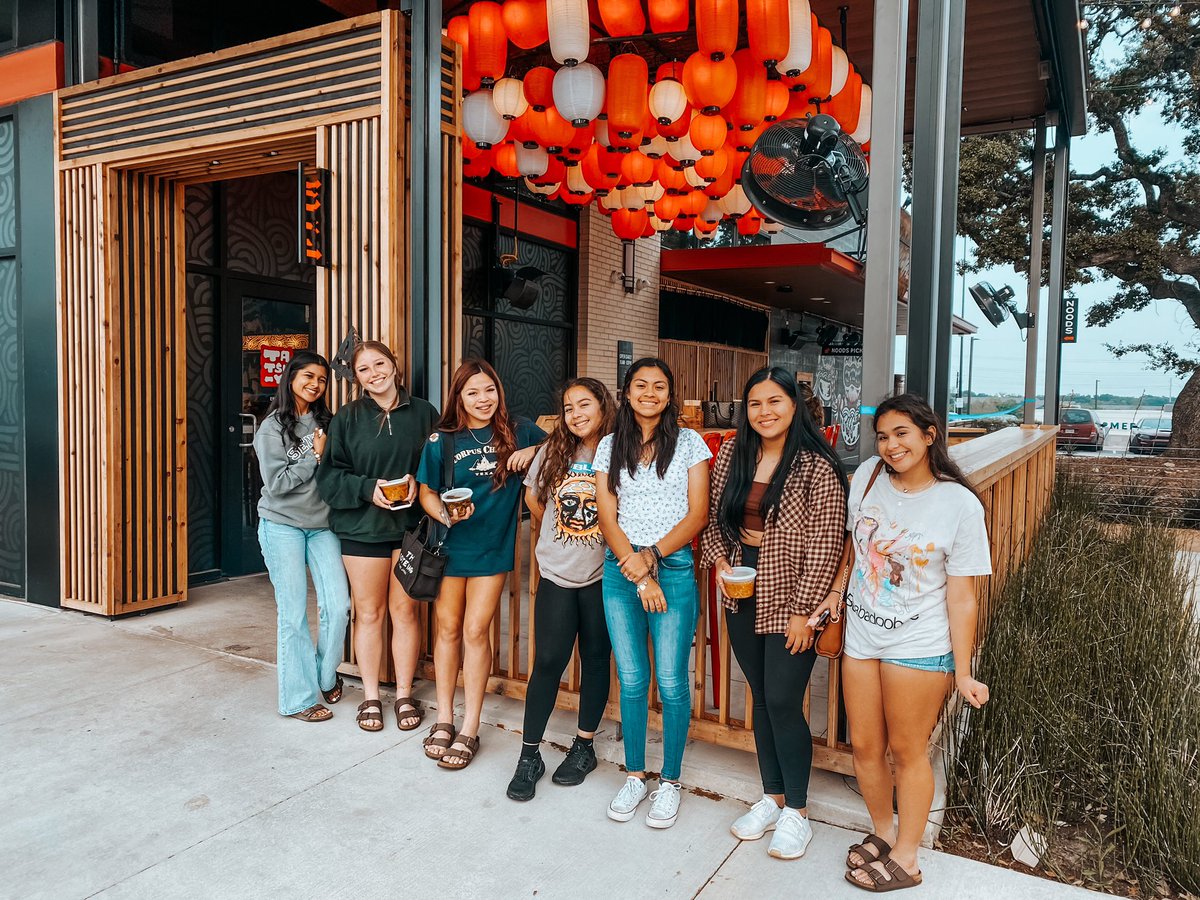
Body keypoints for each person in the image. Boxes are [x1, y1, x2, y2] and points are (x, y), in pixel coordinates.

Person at [807, 394, 992, 892]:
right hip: (862, 636)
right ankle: (885, 833)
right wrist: (835, 593)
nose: (890, 446)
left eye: (902, 434)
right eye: (883, 436)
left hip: (920, 641)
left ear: (929, 434)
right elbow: (853, 548)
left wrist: (965, 667)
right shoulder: (867, 475)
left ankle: (908, 858)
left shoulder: (959, 504)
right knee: (865, 746)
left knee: (908, 751)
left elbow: (962, 597)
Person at [699, 367, 848, 859]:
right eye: (756, 404)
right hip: (741, 586)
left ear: (794, 406)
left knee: (784, 700)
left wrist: (804, 612)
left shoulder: (817, 467)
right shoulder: (733, 458)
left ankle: (798, 813)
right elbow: (715, 520)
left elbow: (826, 544)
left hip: (793, 591)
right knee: (761, 696)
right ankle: (772, 796)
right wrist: (722, 562)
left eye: (775, 402)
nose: (764, 412)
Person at [594, 357, 711, 829]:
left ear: (670, 395)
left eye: (659, 386)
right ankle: (636, 774)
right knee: (633, 679)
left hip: (675, 568)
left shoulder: (689, 443)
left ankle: (671, 781)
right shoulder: (609, 446)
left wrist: (654, 559)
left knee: (672, 680)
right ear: (626, 392)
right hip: (621, 572)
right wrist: (638, 573)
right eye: (640, 385)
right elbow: (607, 514)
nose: (649, 392)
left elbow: (697, 514)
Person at [417, 359, 544, 770]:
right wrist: (444, 515)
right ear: (459, 397)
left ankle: (470, 726)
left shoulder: (519, 430)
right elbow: (426, 493)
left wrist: (532, 448)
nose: (483, 399)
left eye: (489, 390)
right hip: (451, 547)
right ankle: (443, 717)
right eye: (472, 392)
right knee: (448, 629)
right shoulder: (442, 439)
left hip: (492, 549)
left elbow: (569, 439)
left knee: (475, 630)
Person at [316, 341, 438, 733]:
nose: (374, 373)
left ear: (394, 365)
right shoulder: (347, 418)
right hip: (362, 530)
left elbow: (440, 465)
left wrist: (418, 485)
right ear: (357, 377)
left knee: (405, 613)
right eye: (364, 369)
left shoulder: (424, 413)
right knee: (368, 613)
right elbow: (329, 476)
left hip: (410, 531)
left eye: (379, 363)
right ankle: (370, 695)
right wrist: (370, 489)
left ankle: (403, 694)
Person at [506, 378, 617, 801]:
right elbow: (535, 500)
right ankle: (529, 755)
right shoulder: (553, 450)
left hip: (604, 575)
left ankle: (584, 745)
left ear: (603, 406)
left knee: (594, 659)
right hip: (556, 573)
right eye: (568, 407)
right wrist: (558, 532)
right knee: (548, 661)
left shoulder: (616, 450)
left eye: (583, 405)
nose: (575, 414)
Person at [254, 351, 351, 722]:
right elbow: (276, 486)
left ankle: (325, 676)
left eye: (322, 379)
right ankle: (298, 698)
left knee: (338, 606)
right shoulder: (272, 427)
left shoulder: (328, 422)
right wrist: (313, 456)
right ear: (291, 377)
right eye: (308, 376)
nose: (315, 384)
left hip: (323, 525)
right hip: (282, 525)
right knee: (293, 615)